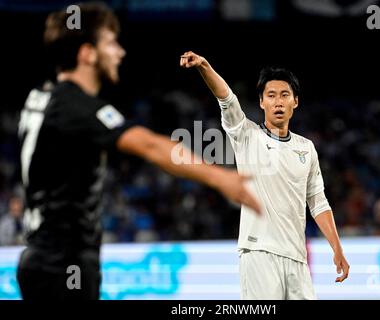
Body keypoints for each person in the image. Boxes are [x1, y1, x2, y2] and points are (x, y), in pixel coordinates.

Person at [16, 3, 260, 300]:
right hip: (63, 264)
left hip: (42, 259)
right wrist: (220, 177)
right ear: (87, 53)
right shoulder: (75, 107)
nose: (120, 52)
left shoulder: (40, 97)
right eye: (110, 43)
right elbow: (149, 145)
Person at [180, 51, 350, 300]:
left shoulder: (306, 147)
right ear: (261, 102)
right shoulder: (246, 135)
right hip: (258, 252)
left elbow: (317, 201)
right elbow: (226, 99)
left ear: (295, 101)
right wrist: (204, 66)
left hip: (297, 258)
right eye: (271, 96)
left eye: (284, 95)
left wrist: (337, 247)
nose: (278, 102)